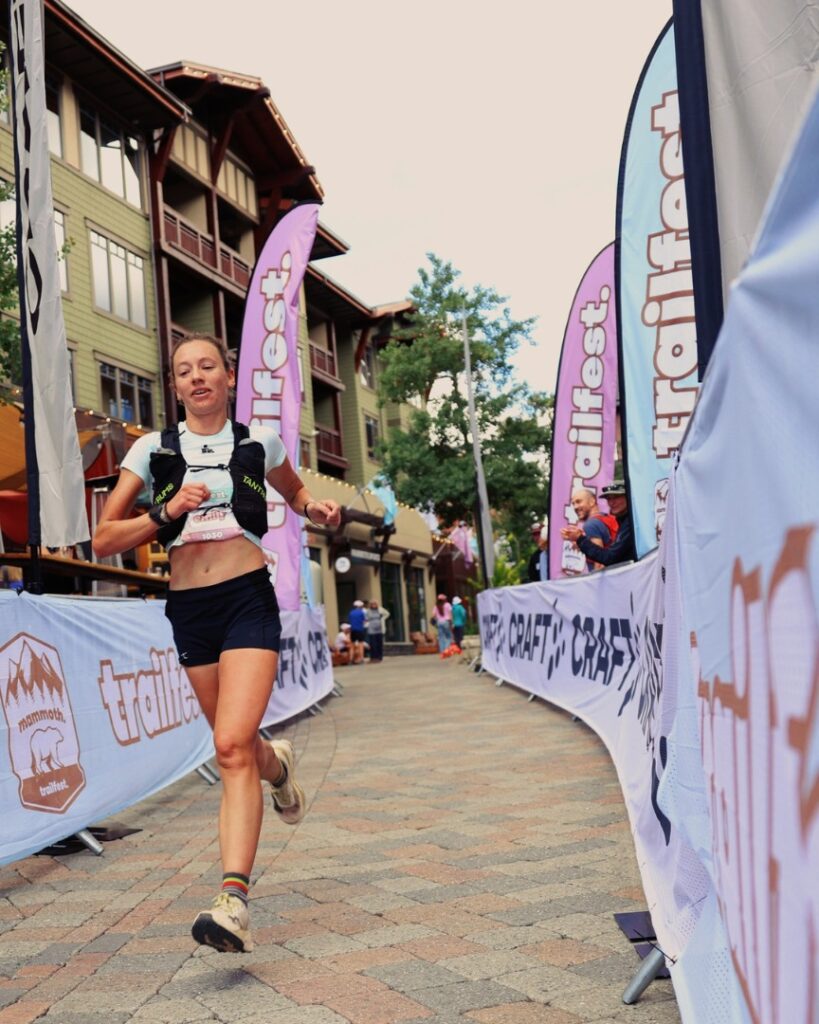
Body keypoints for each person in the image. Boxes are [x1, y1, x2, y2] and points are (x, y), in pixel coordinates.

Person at [92, 333, 341, 954]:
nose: (197, 377)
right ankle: (277, 767)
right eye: (184, 371)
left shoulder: (259, 442)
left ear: (228, 377)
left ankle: (233, 901)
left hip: (247, 599)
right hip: (189, 610)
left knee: (229, 745)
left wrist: (320, 509)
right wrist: (166, 511)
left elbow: (296, 493)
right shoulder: (152, 449)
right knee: (241, 749)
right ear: (174, 386)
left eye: (207, 367)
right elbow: (103, 540)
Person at [562, 480, 635, 568]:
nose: (611, 502)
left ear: (592, 501)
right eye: (608, 498)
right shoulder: (614, 518)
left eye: (616, 497)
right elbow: (617, 551)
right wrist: (582, 545)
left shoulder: (591, 525)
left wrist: (580, 539)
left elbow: (603, 562)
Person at [560, 488, 618, 572]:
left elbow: (599, 559)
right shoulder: (608, 518)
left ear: (592, 501)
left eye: (579, 502)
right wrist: (579, 544)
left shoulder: (590, 525)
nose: (575, 507)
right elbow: (606, 547)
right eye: (573, 504)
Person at [347, 599, 367, 664]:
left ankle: (350, 659)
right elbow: (364, 620)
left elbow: (349, 621)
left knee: (352, 645)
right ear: (360, 606)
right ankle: (361, 659)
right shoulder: (361, 612)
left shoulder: (351, 612)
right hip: (360, 630)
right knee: (361, 644)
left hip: (353, 630)